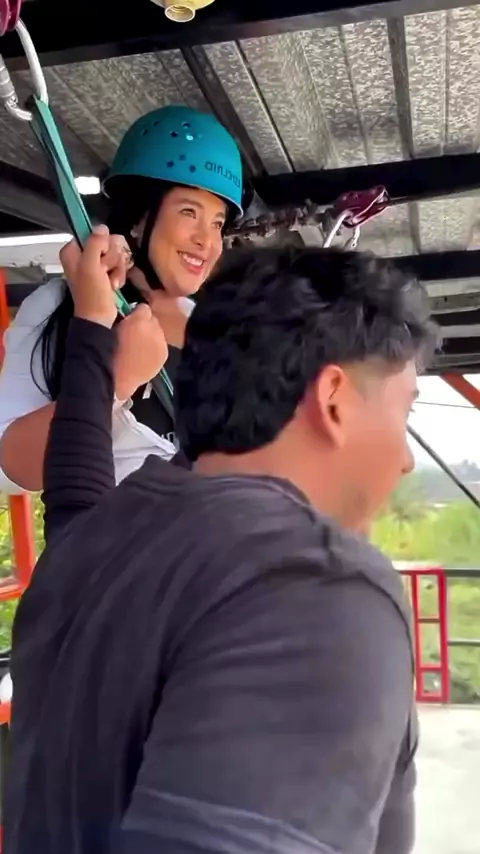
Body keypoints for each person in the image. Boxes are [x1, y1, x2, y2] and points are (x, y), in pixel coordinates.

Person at [5, 235, 439, 854]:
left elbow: (75, 479)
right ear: (334, 399)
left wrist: (95, 321)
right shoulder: (311, 584)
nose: (404, 459)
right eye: (405, 414)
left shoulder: (88, 547)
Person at [0, 104, 244, 492]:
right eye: (189, 212)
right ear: (139, 216)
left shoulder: (216, 327)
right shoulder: (63, 305)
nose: (207, 240)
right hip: (112, 530)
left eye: (217, 223)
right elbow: (11, 467)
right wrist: (115, 381)